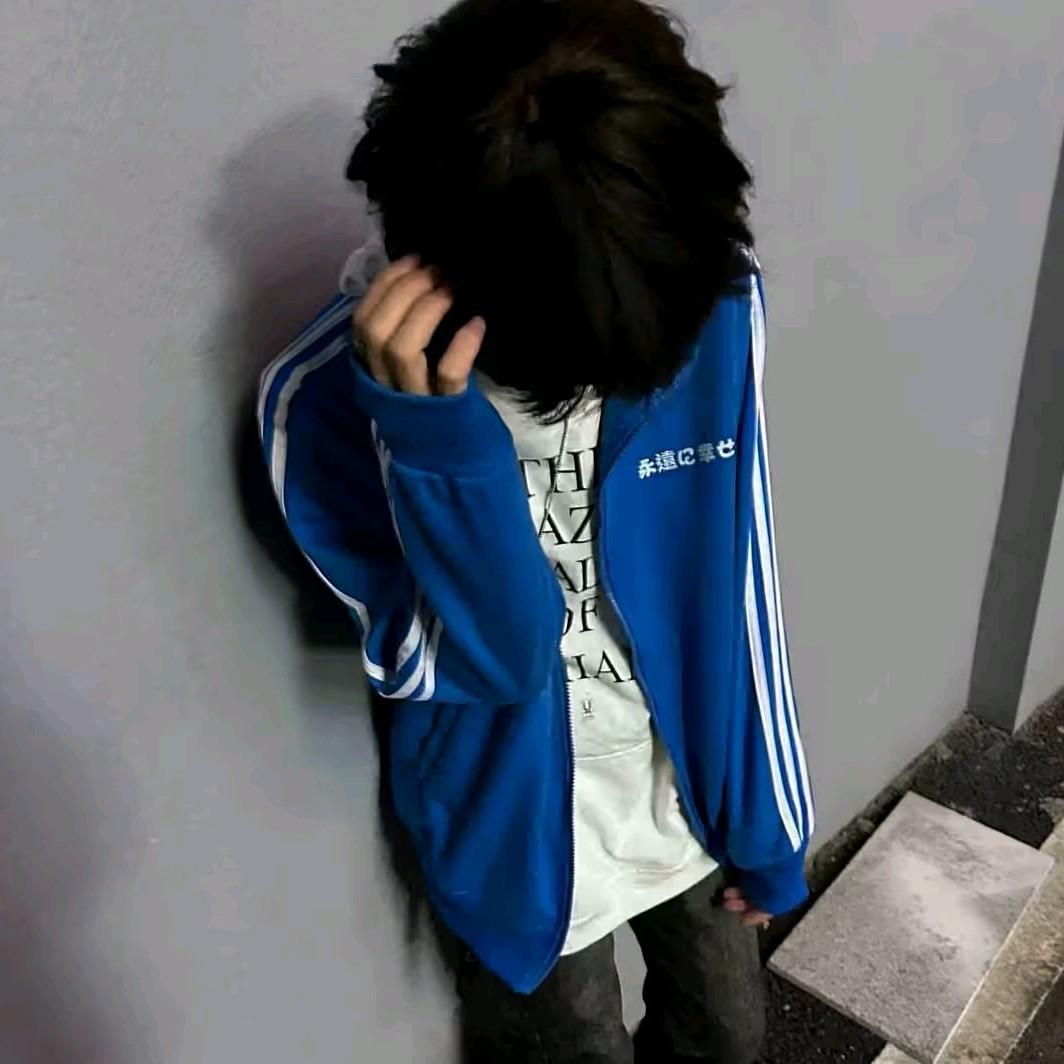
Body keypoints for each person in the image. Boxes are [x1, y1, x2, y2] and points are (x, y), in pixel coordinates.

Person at [258, 1, 814, 1060]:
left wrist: (771, 816)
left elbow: (740, 582)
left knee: (729, 1036)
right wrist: (437, 448)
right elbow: (491, 657)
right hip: (518, 840)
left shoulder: (705, 299)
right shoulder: (319, 404)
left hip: (687, 791)